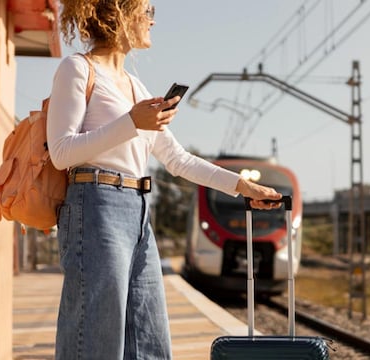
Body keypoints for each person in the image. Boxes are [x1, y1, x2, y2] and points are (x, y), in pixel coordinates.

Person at [47, 1, 282, 358]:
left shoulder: (137, 89)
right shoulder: (77, 69)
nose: (152, 20)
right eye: (145, 11)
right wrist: (131, 123)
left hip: (138, 211)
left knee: (150, 339)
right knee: (97, 339)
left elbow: (178, 159)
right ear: (119, 15)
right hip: (95, 207)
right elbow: (61, 151)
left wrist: (241, 186)